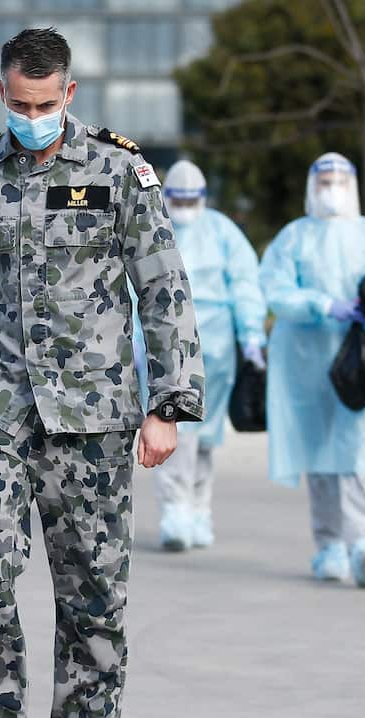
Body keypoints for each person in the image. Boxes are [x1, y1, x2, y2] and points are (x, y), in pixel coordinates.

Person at [0, 28, 203, 718]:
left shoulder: (119, 172)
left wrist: (168, 404)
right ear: (1, 93)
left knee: (92, 593)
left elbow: (164, 288)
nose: (32, 116)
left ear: (70, 95)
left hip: (96, 412)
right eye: (18, 103)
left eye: (45, 104)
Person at [257, 152, 365, 588]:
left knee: (359, 448)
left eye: (340, 180)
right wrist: (323, 305)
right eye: (324, 180)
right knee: (320, 455)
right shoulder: (294, 237)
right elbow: (275, 289)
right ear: (313, 187)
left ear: (354, 185)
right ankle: (329, 544)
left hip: (362, 360)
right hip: (306, 362)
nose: (332, 188)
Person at [154, 160, 266, 552]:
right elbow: (134, 288)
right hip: (168, 348)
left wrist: (251, 336)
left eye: (191, 199)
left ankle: (200, 510)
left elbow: (245, 283)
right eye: (178, 199)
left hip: (216, 350)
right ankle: (176, 510)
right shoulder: (153, 226)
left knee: (204, 437)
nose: (184, 206)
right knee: (178, 430)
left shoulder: (222, 232)